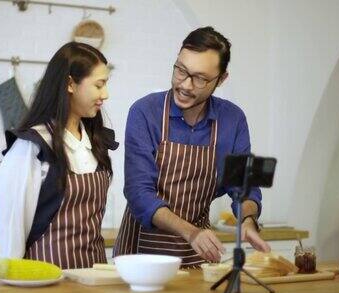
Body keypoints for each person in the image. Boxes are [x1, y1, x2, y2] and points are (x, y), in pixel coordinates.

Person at [114, 27, 270, 269]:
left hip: (197, 255)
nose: (185, 85)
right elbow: (138, 193)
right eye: (180, 70)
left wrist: (248, 220)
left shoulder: (233, 118)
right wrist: (191, 232)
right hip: (140, 259)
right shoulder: (145, 112)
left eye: (200, 78)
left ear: (221, 79)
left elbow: (244, 184)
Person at [0, 42, 118, 269]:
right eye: (99, 85)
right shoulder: (31, 146)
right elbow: (11, 227)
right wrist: (13, 279)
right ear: (70, 83)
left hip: (95, 281)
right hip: (45, 285)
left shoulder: (96, 143)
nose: (105, 94)